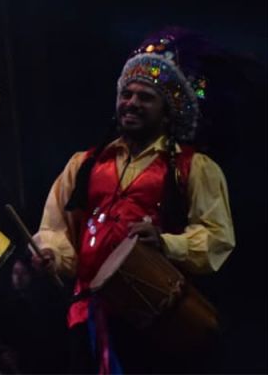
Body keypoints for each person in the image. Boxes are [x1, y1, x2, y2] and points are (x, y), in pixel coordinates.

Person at [31, 28, 235, 373]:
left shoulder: (194, 167)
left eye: (145, 97)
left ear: (167, 111)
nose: (132, 103)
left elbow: (217, 236)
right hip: (89, 315)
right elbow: (55, 229)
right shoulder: (84, 163)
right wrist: (52, 254)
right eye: (127, 94)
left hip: (157, 318)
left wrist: (168, 243)